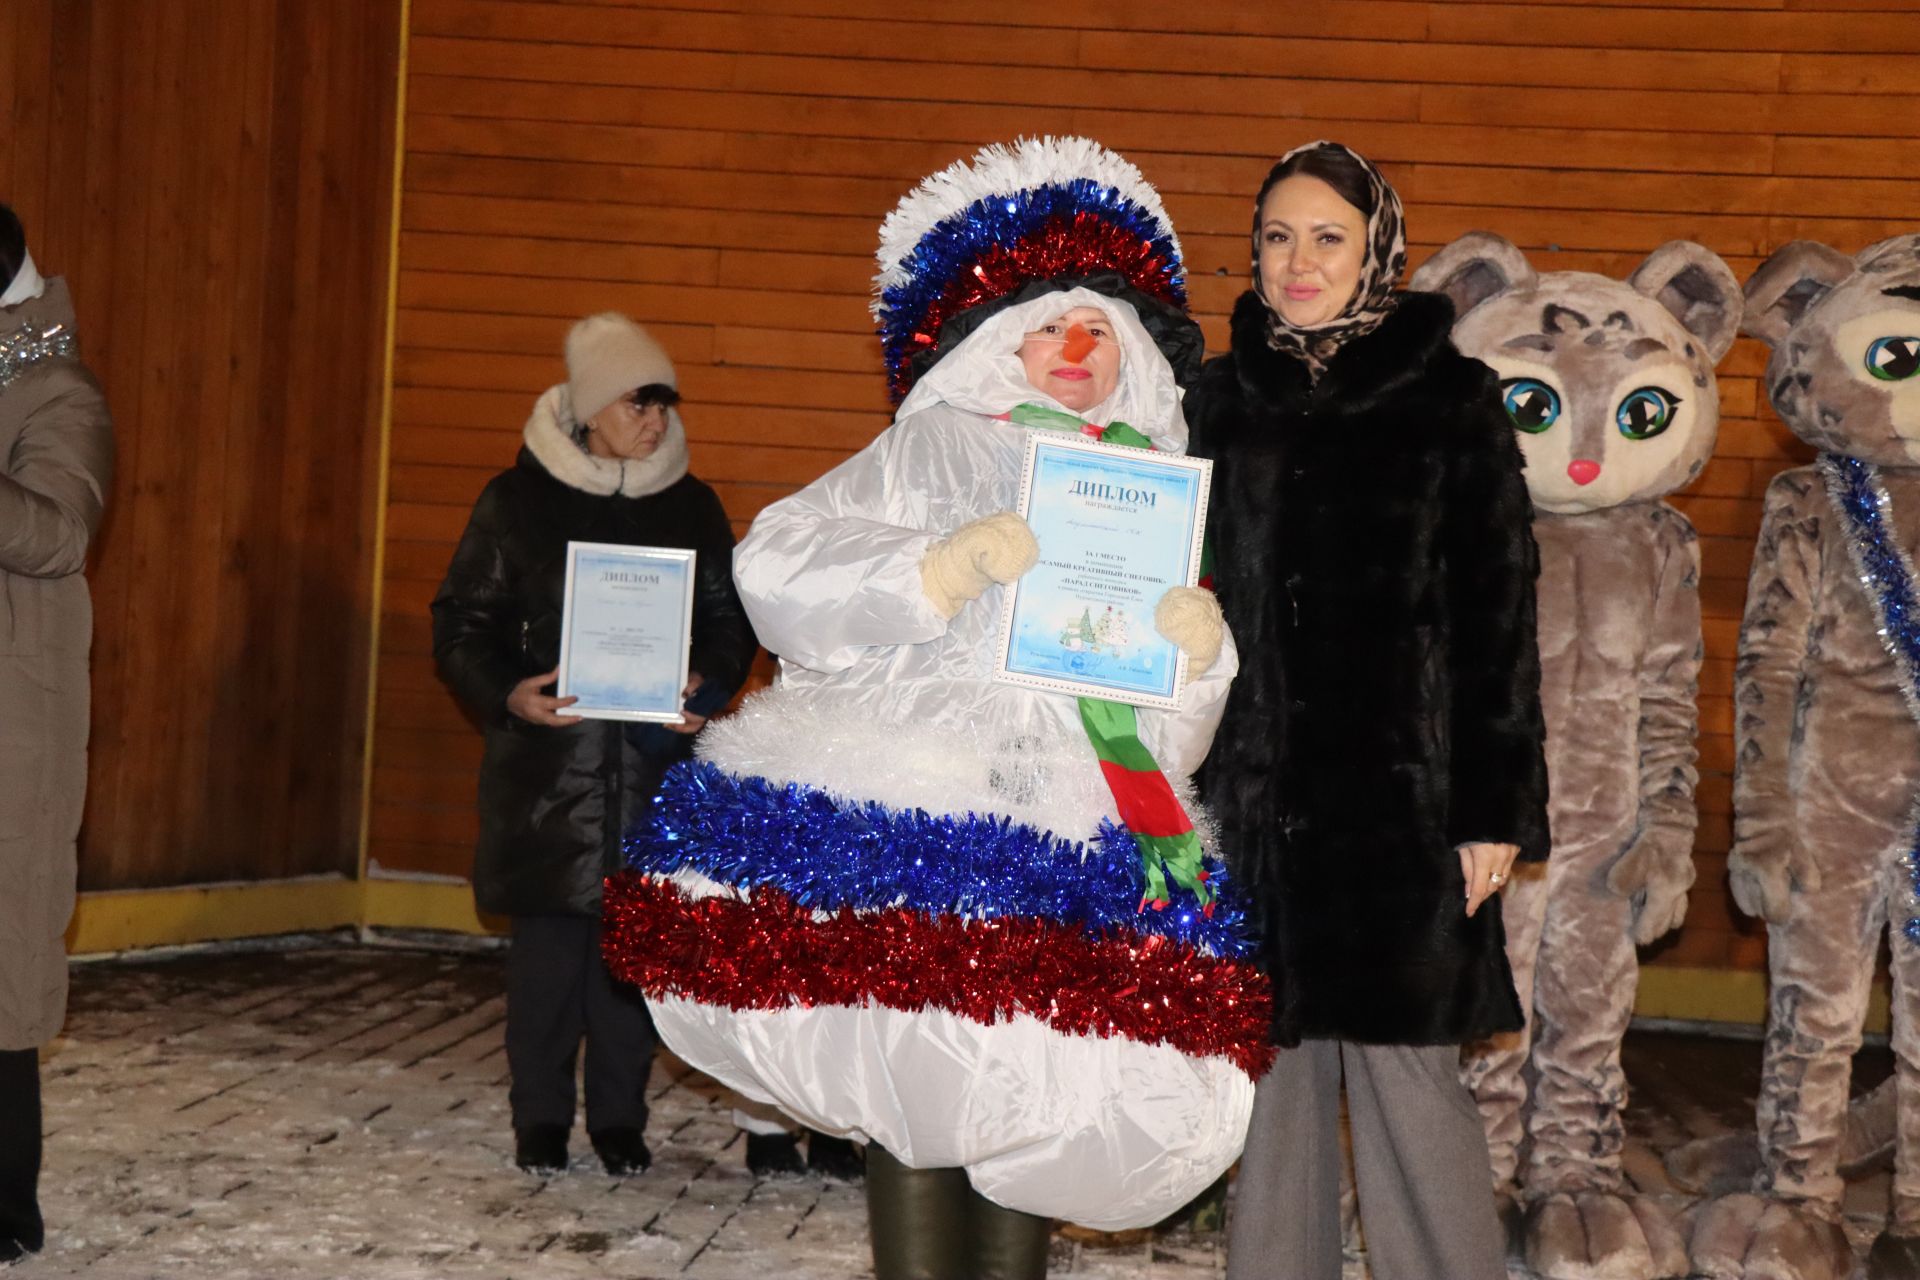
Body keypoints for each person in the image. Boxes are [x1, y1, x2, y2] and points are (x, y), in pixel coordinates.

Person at [601, 138, 1262, 1279]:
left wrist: (1199, 658)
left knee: (1030, 1063)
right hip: (918, 793)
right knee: (914, 1057)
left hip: (1059, 813)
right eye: (1048, 326)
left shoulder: (1150, 482)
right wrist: (934, 572)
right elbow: (779, 562)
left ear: (1133, 354)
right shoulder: (931, 443)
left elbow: (1165, 745)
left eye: (1098, 329)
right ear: (1001, 341)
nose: (1072, 347)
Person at [1186, 141, 1550, 1280]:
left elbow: (1497, 611)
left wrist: (1491, 806)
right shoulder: (1214, 397)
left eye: (1327, 237)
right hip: (1252, 803)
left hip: (1402, 802)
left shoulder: (1449, 399)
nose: (1299, 261)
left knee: (1408, 1080)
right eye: (1277, 237)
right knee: (1274, 1088)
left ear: (1376, 250)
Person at [431, 313, 756, 1178]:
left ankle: (620, 1121)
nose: (653, 421)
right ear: (586, 410)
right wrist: (510, 693)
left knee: (631, 971)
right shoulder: (515, 502)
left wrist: (707, 686)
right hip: (548, 780)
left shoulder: (693, 506)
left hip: (652, 775)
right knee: (543, 971)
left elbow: (729, 624)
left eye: (661, 404)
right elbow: (460, 624)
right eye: (634, 403)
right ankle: (539, 1121)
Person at [0, 203, 115, 1265]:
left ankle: (6, 1198)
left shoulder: (59, 392)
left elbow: (57, 533)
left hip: (8, 737)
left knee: (0, 975)